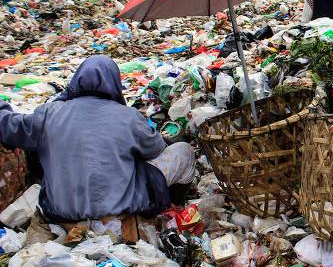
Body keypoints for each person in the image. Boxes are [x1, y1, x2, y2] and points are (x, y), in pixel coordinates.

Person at [0, 55, 195, 222]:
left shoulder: (49, 113)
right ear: (115, 82)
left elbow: (8, 126)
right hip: (123, 208)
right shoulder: (128, 117)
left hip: (60, 213)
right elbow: (156, 149)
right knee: (184, 150)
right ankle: (174, 207)